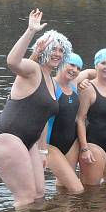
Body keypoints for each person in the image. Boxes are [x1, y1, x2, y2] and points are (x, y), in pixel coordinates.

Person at [0, 10, 67, 205]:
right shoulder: (32, 70)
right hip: (7, 138)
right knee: (26, 198)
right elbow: (12, 62)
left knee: (39, 196)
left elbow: (43, 119)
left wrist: (42, 152)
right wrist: (31, 31)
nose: (57, 53)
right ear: (42, 49)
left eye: (61, 50)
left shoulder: (52, 82)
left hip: (28, 143)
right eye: (53, 48)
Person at [76, 48, 106, 185]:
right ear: (96, 65)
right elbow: (80, 119)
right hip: (94, 145)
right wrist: (84, 148)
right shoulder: (87, 88)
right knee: (91, 193)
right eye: (103, 63)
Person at [44, 50, 85, 192]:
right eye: (72, 65)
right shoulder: (50, 84)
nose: (75, 70)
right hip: (50, 145)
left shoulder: (74, 84)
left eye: (78, 68)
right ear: (61, 63)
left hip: (71, 143)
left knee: (64, 188)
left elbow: (93, 72)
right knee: (77, 189)